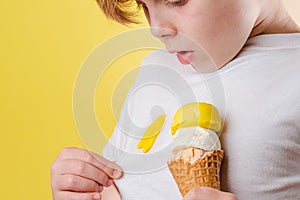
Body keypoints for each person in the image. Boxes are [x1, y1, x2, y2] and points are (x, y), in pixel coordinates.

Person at [50, 0, 300, 199]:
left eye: (176, 0)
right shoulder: (154, 70)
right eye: (144, 5)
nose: (156, 28)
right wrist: (82, 185)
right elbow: (120, 185)